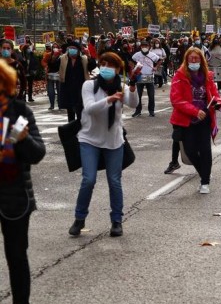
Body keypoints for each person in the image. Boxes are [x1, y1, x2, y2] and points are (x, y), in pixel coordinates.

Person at [0, 60, 46, 304]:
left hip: (16, 196)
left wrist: (23, 140)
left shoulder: (19, 112)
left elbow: (38, 153)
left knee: (16, 255)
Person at [69, 52, 136, 238]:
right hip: (89, 138)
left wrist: (132, 87)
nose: (107, 68)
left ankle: (116, 221)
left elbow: (134, 104)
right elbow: (89, 108)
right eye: (104, 64)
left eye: (112, 65)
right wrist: (110, 99)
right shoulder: (89, 85)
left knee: (114, 181)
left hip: (113, 141)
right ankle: (79, 218)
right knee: (88, 179)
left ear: (118, 70)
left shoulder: (121, 86)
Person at [169, 47, 221, 194]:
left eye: (197, 58)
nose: (194, 61)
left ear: (202, 60)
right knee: (190, 151)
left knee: (205, 150)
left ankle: (205, 181)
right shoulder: (179, 76)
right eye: (191, 58)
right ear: (186, 60)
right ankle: (203, 171)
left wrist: (218, 103)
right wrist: (194, 111)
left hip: (205, 118)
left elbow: (215, 94)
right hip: (187, 120)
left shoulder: (208, 76)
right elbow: (176, 100)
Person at [58, 41, 91, 123]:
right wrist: (54, 57)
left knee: (80, 111)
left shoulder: (83, 59)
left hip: (80, 88)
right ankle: (71, 129)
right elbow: (53, 66)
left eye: (74, 49)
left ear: (78, 50)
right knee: (70, 112)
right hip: (68, 88)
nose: (72, 50)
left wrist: (89, 55)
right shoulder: (63, 59)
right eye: (70, 48)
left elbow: (92, 66)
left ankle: (81, 128)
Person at [130, 39, 160, 117]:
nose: (144, 47)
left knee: (151, 95)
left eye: (146, 46)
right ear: (141, 47)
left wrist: (156, 67)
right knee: (138, 95)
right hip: (140, 76)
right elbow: (131, 61)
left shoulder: (153, 55)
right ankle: (138, 111)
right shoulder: (137, 55)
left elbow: (160, 60)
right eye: (143, 46)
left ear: (149, 46)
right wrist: (134, 69)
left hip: (149, 76)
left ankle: (151, 111)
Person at [42, 42, 62, 111]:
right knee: (51, 90)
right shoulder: (48, 55)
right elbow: (44, 62)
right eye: (54, 47)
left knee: (60, 90)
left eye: (56, 47)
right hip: (50, 74)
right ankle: (52, 105)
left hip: (59, 74)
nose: (55, 48)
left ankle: (60, 104)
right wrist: (46, 66)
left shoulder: (61, 56)